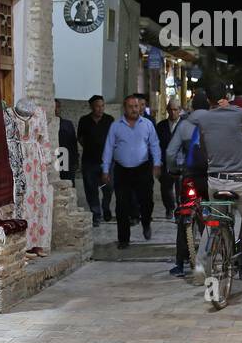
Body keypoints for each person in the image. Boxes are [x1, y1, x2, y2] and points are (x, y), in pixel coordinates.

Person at [184, 81, 242, 291]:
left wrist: (211, 108)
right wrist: (228, 106)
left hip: (215, 181)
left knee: (213, 224)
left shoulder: (203, 116)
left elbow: (190, 115)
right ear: (226, 96)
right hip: (239, 183)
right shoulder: (237, 114)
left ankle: (201, 268)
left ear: (209, 100)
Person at [102, 95, 162, 247]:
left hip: (143, 168)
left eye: (137, 106)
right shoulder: (116, 126)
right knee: (122, 205)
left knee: (147, 201)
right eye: (131, 106)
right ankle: (123, 239)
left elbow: (154, 145)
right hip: (122, 171)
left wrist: (157, 163)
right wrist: (105, 169)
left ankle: (146, 223)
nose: (135, 109)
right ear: (125, 108)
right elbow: (108, 148)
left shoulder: (147, 124)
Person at [165, 90, 210, 277]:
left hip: (190, 176)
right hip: (211, 177)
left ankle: (180, 264)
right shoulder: (216, 122)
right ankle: (224, 255)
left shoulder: (184, 125)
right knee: (218, 214)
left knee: (184, 215)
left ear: (192, 107)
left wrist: (173, 169)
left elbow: (170, 152)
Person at [78, 94, 115, 226]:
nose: (100, 109)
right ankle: (96, 214)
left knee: (108, 187)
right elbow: (81, 138)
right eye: (97, 106)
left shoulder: (109, 120)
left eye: (102, 106)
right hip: (89, 162)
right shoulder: (84, 120)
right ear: (91, 107)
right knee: (91, 188)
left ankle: (105, 207)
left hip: (107, 162)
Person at [156, 97, 183, 221]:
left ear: (180, 110)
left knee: (181, 189)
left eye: (175, 110)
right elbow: (157, 145)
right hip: (165, 163)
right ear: (167, 110)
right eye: (170, 110)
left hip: (181, 164)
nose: (173, 112)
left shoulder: (185, 125)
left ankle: (180, 209)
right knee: (166, 189)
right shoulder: (161, 126)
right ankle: (169, 208)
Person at [55, 99, 78, 184]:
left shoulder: (67, 124)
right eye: (53, 107)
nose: (55, 109)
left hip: (65, 158)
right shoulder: (45, 124)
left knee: (67, 185)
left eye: (57, 107)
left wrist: (75, 161)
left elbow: (73, 143)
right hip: (52, 158)